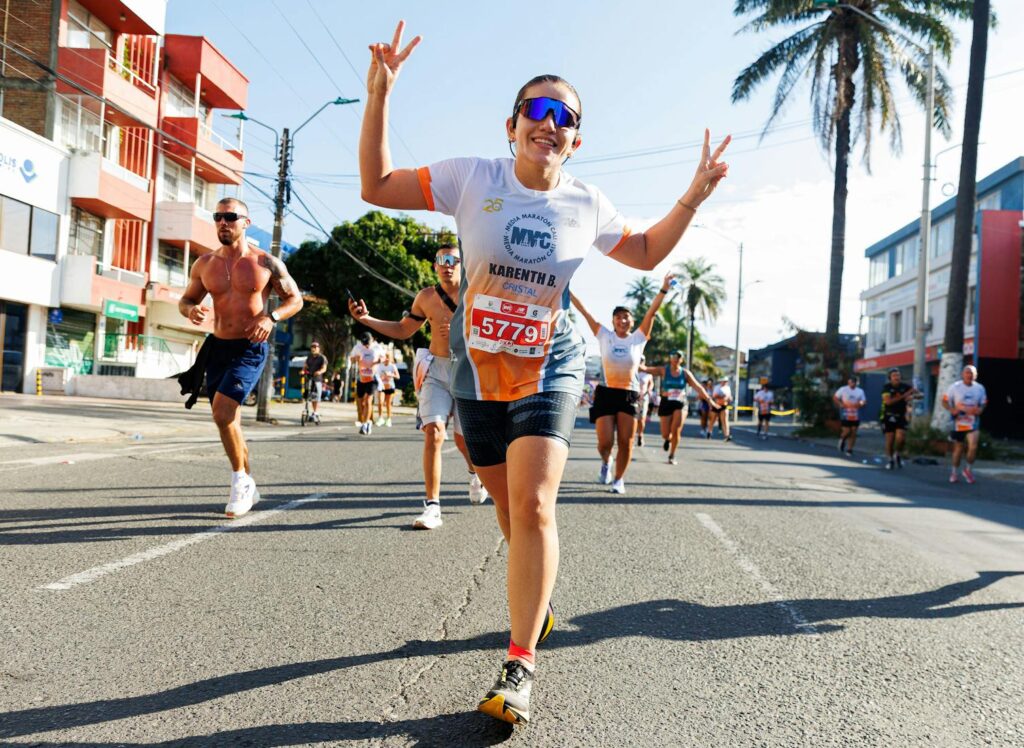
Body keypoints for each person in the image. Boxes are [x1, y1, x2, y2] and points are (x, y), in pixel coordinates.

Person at [359, 21, 730, 725]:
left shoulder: (586, 202)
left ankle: (519, 665)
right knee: (507, 512)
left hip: (551, 361)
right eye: (537, 109)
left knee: (533, 508)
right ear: (512, 125)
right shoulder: (472, 178)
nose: (550, 122)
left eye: (566, 117)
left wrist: (693, 196)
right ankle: (539, 604)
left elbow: (646, 251)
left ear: (576, 140)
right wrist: (380, 93)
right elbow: (376, 185)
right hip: (476, 367)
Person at [348, 244, 490, 528]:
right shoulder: (426, 297)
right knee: (434, 432)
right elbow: (403, 329)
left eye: (453, 260)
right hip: (436, 371)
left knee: (464, 441)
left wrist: (464, 330)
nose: (447, 265)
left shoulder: (477, 292)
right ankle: (432, 506)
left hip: (467, 371)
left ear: (463, 264)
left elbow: (494, 331)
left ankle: (475, 474)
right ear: (435, 265)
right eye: (441, 260)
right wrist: (365, 319)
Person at [178, 197, 303, 517]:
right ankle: (248, 481)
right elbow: (186, 299)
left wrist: (271, 318)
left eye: (230, 216)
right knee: (229, 420)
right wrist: (191, 310)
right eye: (218, 216)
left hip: (250, 348)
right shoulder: (204, 264)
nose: (223, 222)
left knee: (222, 412)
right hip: (217, 348)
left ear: (245, 222)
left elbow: (295, 300)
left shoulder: (266, 263)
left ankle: (238, 482)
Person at [570, 274, 672, 494]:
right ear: (613, 321)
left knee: (626, 441)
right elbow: (584, 311)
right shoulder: (604, 335)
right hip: (606, 393)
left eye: (626, 317)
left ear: (632, 321)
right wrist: (565, 286)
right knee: (605, 443)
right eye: (618, 317)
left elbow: (651, 312)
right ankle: (606, 462)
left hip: (629, 394)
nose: (622, 320)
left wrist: (663, 289)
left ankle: (618, 479)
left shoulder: (638, 339)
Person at [643, 351, 716, 464]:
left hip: (680, 403)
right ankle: (668, 439)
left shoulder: (685, 373)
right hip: (666, 402)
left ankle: (672, 455)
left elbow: (698, 387)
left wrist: (709, 400)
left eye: (678, 357)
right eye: (673, 356)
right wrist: (634, 362)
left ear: (681, 360)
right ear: (670, 358)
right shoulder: (664, 370)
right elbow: (646, 369)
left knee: (676, 430)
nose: (676, 359)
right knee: (665, 433)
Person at [942, 364, 987, 484]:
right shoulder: (955, 387)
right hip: (959, 422)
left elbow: (983, 402)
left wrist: (981, 409)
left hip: (973, 421)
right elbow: (945, 401)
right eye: (967, 373)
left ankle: (968, 470)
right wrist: (952, 410)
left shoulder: (980, 388)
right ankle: (954, 472)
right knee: (959, 448)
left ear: (975, 375)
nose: (969, 375)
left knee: (973, 446)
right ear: (962, 374)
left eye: (972, 373)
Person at [880, 367, 919, 469]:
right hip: (888, 415)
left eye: (898, 375)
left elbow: (918, 395)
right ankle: (890, 459)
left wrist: (912, 396)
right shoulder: (886, 388)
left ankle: (897, 454)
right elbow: (888, 401)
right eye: (894, 376)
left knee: (901, 438)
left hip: (901, 415)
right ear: (890, 378)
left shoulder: (905, 386)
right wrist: (905, 395)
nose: (897, 377)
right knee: (890, 439)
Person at [350, 332, 384, 435]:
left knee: (368, 401)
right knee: (361, 402)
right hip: (361, 378)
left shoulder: (377, 347)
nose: (366, 346)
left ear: (372, 339)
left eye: (368, 344)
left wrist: (379, 360)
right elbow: (351, 359)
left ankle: (365, 424)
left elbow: (384, 357)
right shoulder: (357, 347)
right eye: (364, 344)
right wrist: (355, 359)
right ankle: (367, 420)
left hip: (372, 378)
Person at [833, 375, 866, 456]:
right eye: (850, 382)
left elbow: (863, 401)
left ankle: (850, 449)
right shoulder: (843, 389)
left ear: (856, 383)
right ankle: (842, 440)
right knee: (847, 431)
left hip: (855, 414)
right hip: (845, 413)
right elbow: (835, 397)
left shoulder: (860, 391)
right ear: (848, 382)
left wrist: (860, 404)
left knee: (853, 432)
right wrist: (840, 404)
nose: (852, 384)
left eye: (854, 382)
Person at [375, 353, 401, 427]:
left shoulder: (392, 366)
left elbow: (398, 376)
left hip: (390, 386)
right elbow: (377, 375)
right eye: (385, 357)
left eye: (388, 357)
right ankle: (380, 418)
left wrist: (390, 375)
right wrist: (381, 377)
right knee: (380, 402)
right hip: (382, 386)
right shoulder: (380, 366)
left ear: (390, 358)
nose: (386, 359)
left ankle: (389, 419)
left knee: (388, 403)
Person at [304, 342, 328, 424]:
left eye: (315, 347)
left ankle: (315, 412)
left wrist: (319, 372)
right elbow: (305, 366)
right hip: (310, 379)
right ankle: (311, 411)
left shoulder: (322, 358)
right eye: (312, 347)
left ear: (318, 348)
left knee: (316, 396)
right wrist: (303, 371)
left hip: (317, 380)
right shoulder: (309, 357)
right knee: (310, 396)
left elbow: (324, 368)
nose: (313, 348)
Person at [635, 356, 654, 447]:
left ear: (644, 361)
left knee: (642, 419)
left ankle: (640, 435)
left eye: (642, 360)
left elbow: (651, 383)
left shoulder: (648, 373)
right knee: (633, 418)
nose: (640, 362)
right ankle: (631, 437)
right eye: (639, 360)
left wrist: (649, 389)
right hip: (633, 397)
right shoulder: (633, 371)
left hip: (643, 398)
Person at [711, 377, 733, 441]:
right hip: (717, 405)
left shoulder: (728, 388)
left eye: (726, 381)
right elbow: (714, 396)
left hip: (724, 405)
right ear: (721, 381)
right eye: (724, 381)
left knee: (725, 421)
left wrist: (729, 398)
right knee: (713, 420)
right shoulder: (717, 387)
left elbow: (729, 396)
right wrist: (722, 397)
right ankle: (709, 432)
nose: (725, 382)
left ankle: (727, 435)